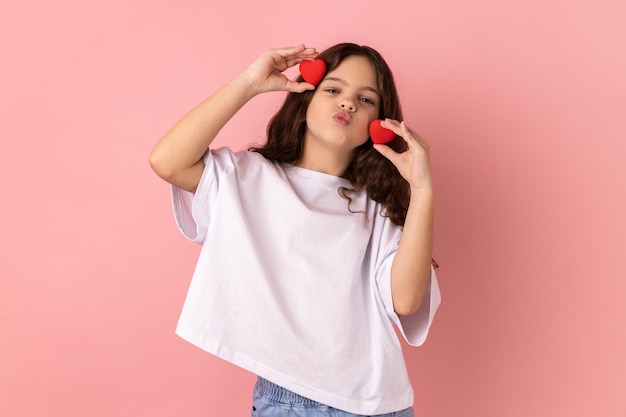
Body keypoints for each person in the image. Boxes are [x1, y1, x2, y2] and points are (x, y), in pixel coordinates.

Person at [149, 43, 441, 417]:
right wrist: (250, 83)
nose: (348, 103)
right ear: (304, 98)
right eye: (333, 89)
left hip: (382, 404)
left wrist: (423, 189)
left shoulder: (379, 206)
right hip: (293, 401)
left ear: (378, 126)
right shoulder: (246, 177)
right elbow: (166, 160)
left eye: (365, 99)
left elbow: (405, 300)